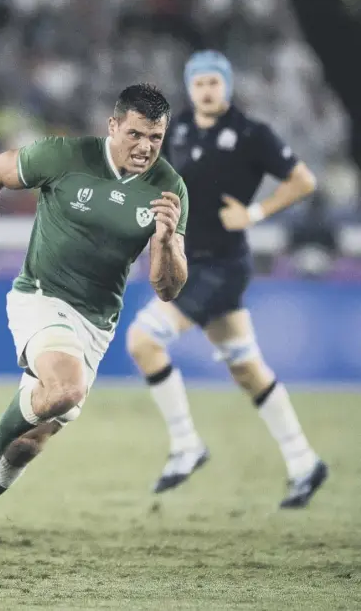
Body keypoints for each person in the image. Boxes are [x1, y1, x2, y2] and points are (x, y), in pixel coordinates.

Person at [0, 83, 189, 567]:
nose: (145, 146)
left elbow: (168, 288)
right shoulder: (65, 155)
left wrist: (166, 240)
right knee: (64, 389)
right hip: (41, 296)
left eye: (156, 137)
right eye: (136, 134)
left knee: (28, 444)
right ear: (113, 126)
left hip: (96, 324)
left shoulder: (169, 189)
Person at [126, 51, 328, 507]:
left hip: (220, 266)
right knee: (247, 367)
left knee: (143, 339)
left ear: (228, 86)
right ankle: (304, 461)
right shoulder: (175, 131)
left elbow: (303, 180)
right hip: (188, 259)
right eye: (199, 83)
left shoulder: (252, 134)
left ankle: (185, 445)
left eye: (215, 81)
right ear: (190, 88)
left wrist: (255, 212)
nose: (207, 90)